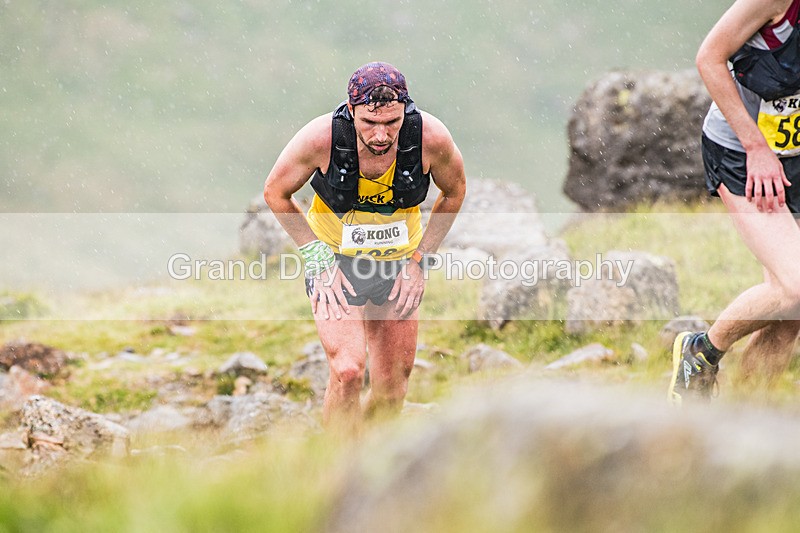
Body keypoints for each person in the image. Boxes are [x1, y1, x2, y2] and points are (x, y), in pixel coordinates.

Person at [264, 62, 466, 433]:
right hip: (335, 264)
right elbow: (276, 192)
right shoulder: (321, 139)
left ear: (405, 110)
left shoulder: (430, 138)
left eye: (392, 122)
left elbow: (454, 192)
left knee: (392, 391)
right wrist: (316, 257)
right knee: (348, 370)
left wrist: (420, 260)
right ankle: (337, 467)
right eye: (369, 123)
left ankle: (369, 462)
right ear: (351, 109)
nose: (381, 135)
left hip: (398, 264)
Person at [669, 0, 800, 404]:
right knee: (796, 287)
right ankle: (701, 351)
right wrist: (755, 147)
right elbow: (709, 57)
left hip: (794, 155)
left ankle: (749, 417)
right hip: (744, 154)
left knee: (790, 311)